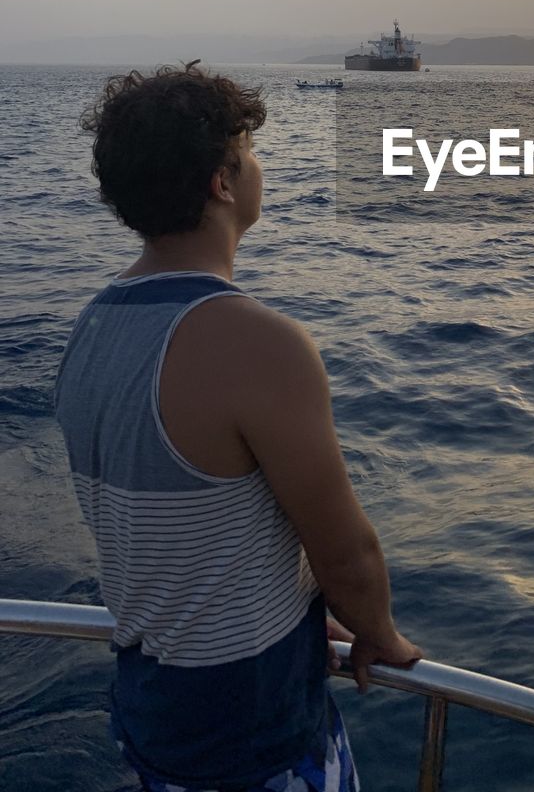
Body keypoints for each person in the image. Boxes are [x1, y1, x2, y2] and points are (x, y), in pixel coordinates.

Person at [54, 61, 422, 792]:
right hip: (251, 740)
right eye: (249, 151)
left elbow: (183, 531)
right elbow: (346, 551)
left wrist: (287, 618)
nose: (258, 165)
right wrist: (379, 634)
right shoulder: (258, 343)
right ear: (223, 181)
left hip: (154, 717)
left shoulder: (88, 330)